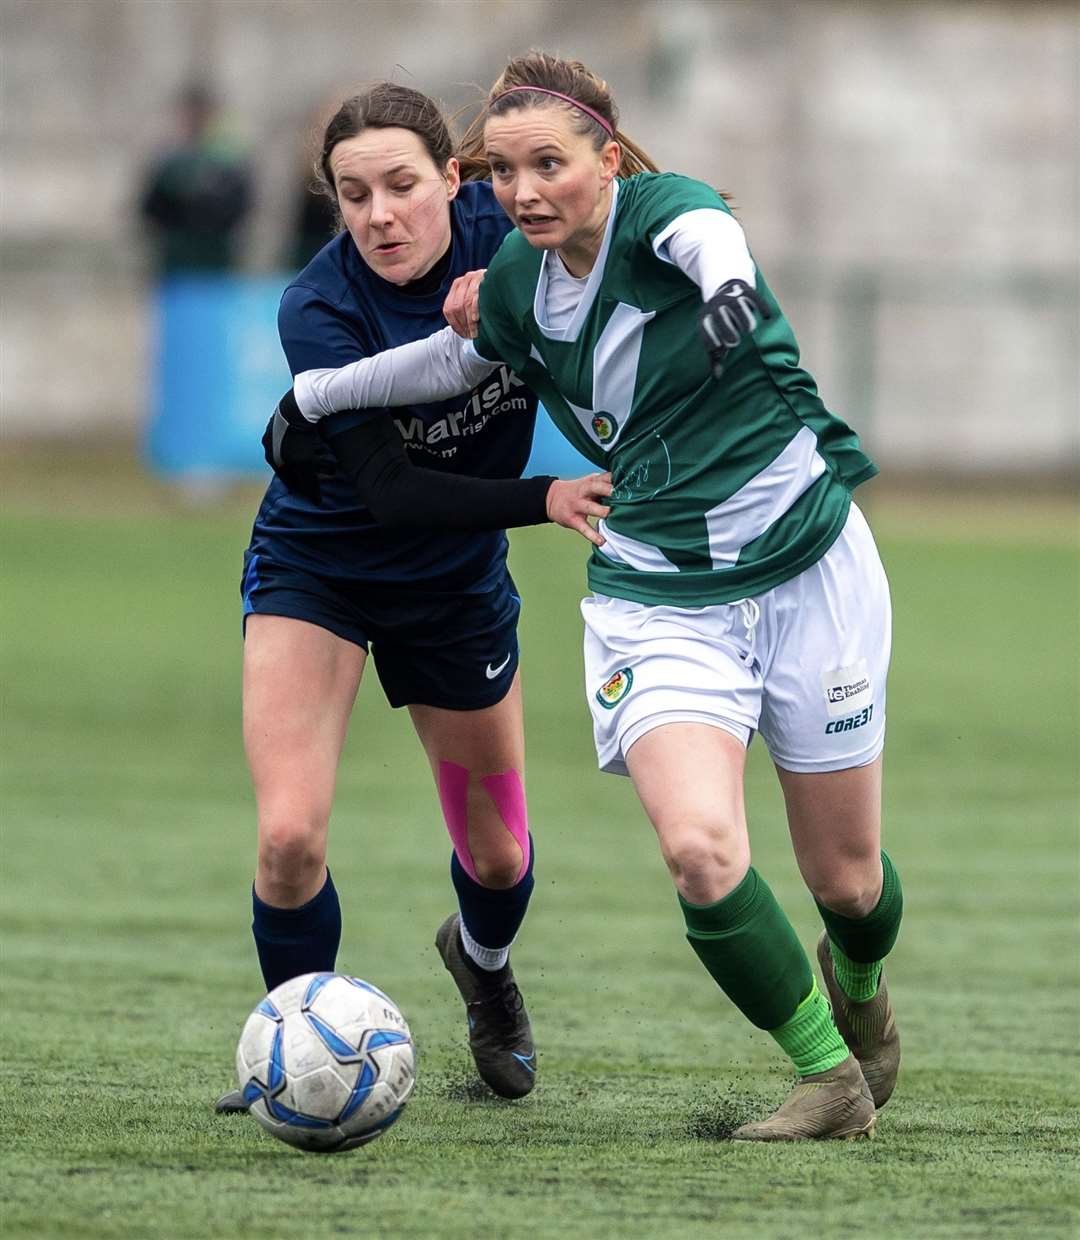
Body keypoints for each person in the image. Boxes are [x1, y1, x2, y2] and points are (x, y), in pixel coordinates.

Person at [278, 52, 904, 1142]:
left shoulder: (673, 216)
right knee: (703, 851)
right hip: (658, 592)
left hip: (808, 564)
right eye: (509, 171)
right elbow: (441, 366)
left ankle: (859, 971)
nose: (526, 191)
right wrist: (315, 397)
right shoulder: (513, 285)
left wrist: (731, 294)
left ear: (608, 163)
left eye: (551, 166)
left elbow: (713, 247)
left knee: (847, 880)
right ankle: (826, 1076)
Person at [216, 82, 612, 1114]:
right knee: (289, 838)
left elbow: (625, 207)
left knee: (499, 853)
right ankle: (299, 1054)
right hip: (322, 565)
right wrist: (546, 495)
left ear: (453, 177)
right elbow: (389, 490)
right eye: (353, 195)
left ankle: (482, 963)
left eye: (401, 184)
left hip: (453, 585)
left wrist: (526, 269)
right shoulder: (319, 306)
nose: (380, 214)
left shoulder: (509, 222)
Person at [140, 82, 254, 274]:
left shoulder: (229, 163)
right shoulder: (169, 160)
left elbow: (240, 206)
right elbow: (151, 208)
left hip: (216, 263)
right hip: (176, 263)